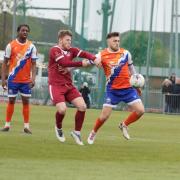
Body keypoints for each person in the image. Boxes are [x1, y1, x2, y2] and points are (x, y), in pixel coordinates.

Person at [87, 32, 145, 144]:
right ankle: (93, 133)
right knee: (104, 117)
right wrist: (93, 62)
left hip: (128, 89)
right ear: (108, 42)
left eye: (118, 41)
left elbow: (132, 69)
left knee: (140, 110)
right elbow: (90, 61)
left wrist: (137, 84)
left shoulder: (126, 53)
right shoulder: (101, 55)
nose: (117, 43)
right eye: (115, 41)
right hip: (112, 90)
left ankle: (124, 125)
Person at [48, 30, 96, 145]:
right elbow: (64, 63)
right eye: (67, 40)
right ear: (60, 40)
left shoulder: (72, 50)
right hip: (56, 85)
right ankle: (58, 128)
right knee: (62, 109)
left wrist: (94, 59)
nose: (69, 42)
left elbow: (84, 54)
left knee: (83, 106)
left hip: (68, 85)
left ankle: (77, 133)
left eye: (70, 40)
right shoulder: (54, 50)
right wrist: (81, 64)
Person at [1, 24, 38, 134]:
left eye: (27, 30)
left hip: (26, 81)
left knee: (26, 102)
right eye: (23, 30)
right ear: (18, 31)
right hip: (13, 79)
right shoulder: (10, 45)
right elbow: (4, 63)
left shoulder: (32, 47)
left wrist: (33, 78)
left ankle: (26, 126)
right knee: (11, 100)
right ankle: (7, 125)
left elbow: (34, 64)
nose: (25, 32)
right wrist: (3, 79)